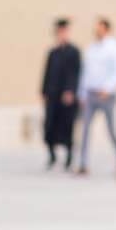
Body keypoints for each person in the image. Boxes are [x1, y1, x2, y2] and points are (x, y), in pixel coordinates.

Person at [76, 17, 116, 175]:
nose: (96, 30)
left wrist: (108, 88)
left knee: (111, 130)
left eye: (99, 27)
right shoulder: (91, 48)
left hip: (106, 95)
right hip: (90, 95)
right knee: (84, 129)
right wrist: (82, 93)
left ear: (106, 29)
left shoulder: (115, 48)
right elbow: (85, 73)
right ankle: (83, 163)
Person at [40, 17, 80, 169]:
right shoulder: (53, 52)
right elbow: (46, 73)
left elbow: (75, 74)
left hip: (67, 97)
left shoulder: (74, 52)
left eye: (63, 31)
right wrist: (43, 91)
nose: (61, 34)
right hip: (52, 95)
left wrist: (70, 90)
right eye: (59, 32)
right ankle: (52, 155)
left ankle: (69, 156)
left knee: (67, 126)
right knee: (49, 125)